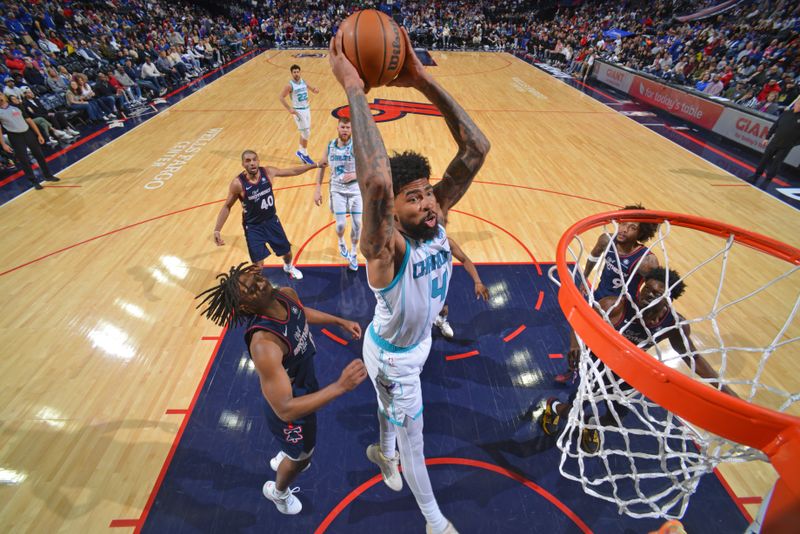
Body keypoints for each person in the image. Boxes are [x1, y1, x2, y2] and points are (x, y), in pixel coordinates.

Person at [329, 28, 489, 534]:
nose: (428, 204)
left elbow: (476, 147)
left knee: (385, 412)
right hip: (394, 356)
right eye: (413, 198)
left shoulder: (432, 218)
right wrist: (355, 89)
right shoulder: (385, 247)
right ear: (391, 213)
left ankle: (383, 452)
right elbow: (375, 181)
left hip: (412, 346)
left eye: (428, 193)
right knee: (414, 435)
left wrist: (421, 78)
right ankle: (434, 520)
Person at [195, 263, 367, 515]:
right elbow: (286, 410)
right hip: (290, 408)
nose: (260, 285)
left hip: (303, 388)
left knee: (297, 451)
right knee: (302, 459)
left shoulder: (286, 294)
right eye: (251, 290)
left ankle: (289, 452)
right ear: (244, 307)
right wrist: (340, 387)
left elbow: (301, 313)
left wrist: (338, 320)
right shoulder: (264, 344)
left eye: (256, 280)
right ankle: (279, 492)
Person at [540, 267, 735, 453]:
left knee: (614, 420)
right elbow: (580, 319)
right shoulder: (615, 305)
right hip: (597, 368)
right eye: (646, 288)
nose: (648, 294)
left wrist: (724, 391)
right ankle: (555, 407)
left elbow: (693, 358)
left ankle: (590, 424)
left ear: (669, 299)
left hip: (628, 374)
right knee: (574, 411)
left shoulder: (675, 324)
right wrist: (575, 344)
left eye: (656, 293)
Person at [555, 205, 659, 384]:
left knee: (603, 349)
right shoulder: (606, 240)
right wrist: (584, 278)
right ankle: (573, 370)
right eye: (623, 223)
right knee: (579, 339)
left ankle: (602, 379)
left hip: (622, 310)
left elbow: (655, 288)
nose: (624, 229)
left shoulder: (647, 260)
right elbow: (594, 256)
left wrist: (653, 311)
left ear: (641, 233)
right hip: (599, 298)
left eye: (632, 227)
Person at [213, 149, 324, 280]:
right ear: (243, 164)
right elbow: (227, 206)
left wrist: (315, 165)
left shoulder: (268, 172)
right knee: (258, 266)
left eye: (254, 159)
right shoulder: (238, 183)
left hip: (271, 221)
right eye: (248, 161)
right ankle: (258, 289)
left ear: (258, 161)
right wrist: (217, 230)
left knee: (287, 253)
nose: (252, 163)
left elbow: (292, 171)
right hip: (253, 227)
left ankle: (288, 267)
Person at [313, 116, 361, 271]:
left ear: (351, 130)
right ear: (338, 128)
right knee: (340, 225)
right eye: (343, 127)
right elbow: (321, 166)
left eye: (348, 128)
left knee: (357, 223)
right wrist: (318, 188)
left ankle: (353, 253)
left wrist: (355, 175)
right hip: (337, 189)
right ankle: (341, 241)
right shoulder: (330, 146)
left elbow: (369, 167)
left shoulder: (357, 146)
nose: (345, 130)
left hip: (355, 189)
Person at [0, 93, 60, 190]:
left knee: (39, 155)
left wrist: (39, 134)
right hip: (14, 136)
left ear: (4, 96)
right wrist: (3, 144)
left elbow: (29, 120)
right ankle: (33, 181)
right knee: (24, 160)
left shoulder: (16, 106)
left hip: (27, 132)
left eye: (0, 95)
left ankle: (48, 175)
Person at [433, 237, 490, 338]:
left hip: (440, 286)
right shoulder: (415, 247)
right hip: (421, 288)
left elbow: (465, 259)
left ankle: (440, 320)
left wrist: (478, 282)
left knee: (443, 308)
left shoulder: (447, 242)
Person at [746, 98, 800, 184]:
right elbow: (775, 126)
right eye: (798, 103)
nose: (798, 106)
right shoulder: (786, 113)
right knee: (764, 159)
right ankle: (756, 175)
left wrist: (793, 144)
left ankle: (768, 179)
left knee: (776, 163)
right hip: (774, 141)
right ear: (795, 103)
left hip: (786, 146)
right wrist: (767, 138)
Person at [279, 64, 319, 165]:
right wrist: (289, 108)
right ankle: (304, 154)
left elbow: (310, 87)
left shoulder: (303, 81)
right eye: (294, 72)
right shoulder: (289, 85)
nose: (296, 74)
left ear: (300, 72)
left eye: (297, 72)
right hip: (298, 111)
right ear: (291, 73)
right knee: (306, 133)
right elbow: (281, 97)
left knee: (305, 131)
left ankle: (300, 151)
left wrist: (314, 90)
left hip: (307, 109)